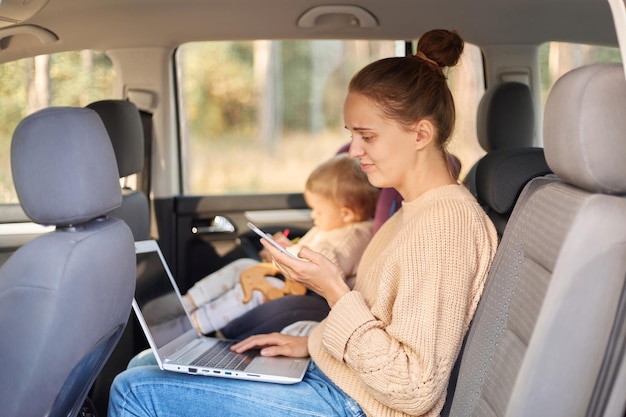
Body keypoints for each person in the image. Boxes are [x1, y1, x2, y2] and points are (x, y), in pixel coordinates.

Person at [108, 29, 498, 417]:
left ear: (421, 134)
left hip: (359, 406)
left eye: (367, 136)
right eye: (352, 135)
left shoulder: (446, 225)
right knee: (146, 363)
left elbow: (413, 388)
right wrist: (312, 344)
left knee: (133, 391)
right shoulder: (413, 210)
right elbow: (381, 324)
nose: (355, 151)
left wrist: (333, 291)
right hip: (346, 382)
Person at [142, 153, 379, 336]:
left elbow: (325, 267)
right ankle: (188, 303)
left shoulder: (353, 237)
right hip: (295, 282)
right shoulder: (335, 225)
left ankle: (194, 325)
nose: (312, 216)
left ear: (346, 213)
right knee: (243, 265)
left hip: (313, 296)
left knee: (253, 290)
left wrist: (287, 254)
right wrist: (286, 248)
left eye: (317, 210)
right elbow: (311, 249)